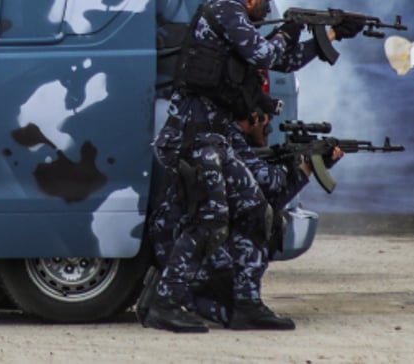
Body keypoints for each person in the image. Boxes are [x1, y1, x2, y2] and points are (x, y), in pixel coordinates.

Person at [143, 0, 362, 333]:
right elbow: (265, 53)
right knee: (209, 219)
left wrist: (331, 34)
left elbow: (284, 61)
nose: (266, 8)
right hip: (195, 137)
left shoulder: (235, 24)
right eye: (264, 1)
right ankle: (164, 304)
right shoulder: (227, 10)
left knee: (258, 211)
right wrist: (291, 29)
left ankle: (245, 304)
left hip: (218, 137)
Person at [142, 93, 340, 330]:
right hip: (180, 239)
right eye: (266, 128)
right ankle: (167, 295)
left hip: (179, 240)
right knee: (263, 220)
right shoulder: (227, 139)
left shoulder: (222, 137)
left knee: (232, 311)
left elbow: (269, 195)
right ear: (254, 117)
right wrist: (306, 167)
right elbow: (270, 187)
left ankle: (172, 291)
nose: (266, 135)